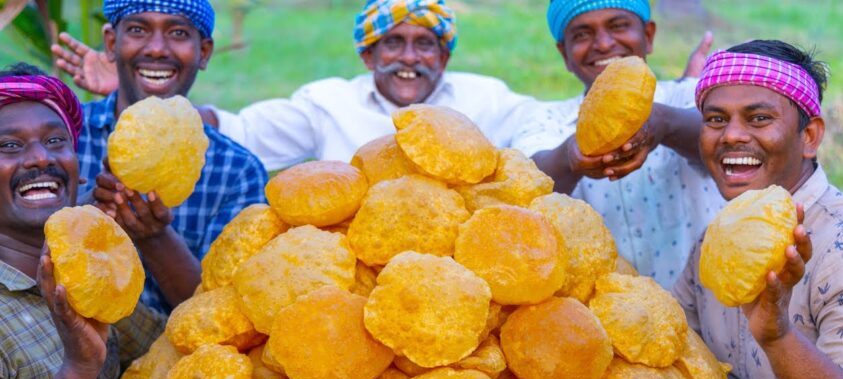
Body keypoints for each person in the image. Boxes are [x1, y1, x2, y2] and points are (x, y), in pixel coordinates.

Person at [672, 40, 843, 379]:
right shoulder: (716, 239)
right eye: (715, 119)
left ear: (809, 136)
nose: (731, 135)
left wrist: (779, 339)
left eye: (758, 118)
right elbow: (675, 350)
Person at [54, 0, 537, 171]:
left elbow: (547, 128)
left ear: (445, 56)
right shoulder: (327, 103)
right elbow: (235, 130)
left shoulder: (486, 98)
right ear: (367, 55)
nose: (409, 59)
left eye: (425, 45)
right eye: (392, 44)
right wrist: (139, 98)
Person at [0, 64, 163, 379]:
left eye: (56, 141)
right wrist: (78, 367)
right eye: (9, 146)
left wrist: (152, 235)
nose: (40, 158)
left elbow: (172, 353)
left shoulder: (88, 275)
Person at [513, 0, 723, 288]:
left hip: (706, 304)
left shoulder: (688, 95)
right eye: (582, 34)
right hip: (608, 318)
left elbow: (724, 138)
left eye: (619, 26)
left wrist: (662, 122)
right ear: (564, 53)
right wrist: (570, 157)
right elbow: (526, 180)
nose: (602, 43)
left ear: (648, 35)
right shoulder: (547, 118)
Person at [79, 0, 268, 315]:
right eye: (138, 30)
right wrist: (85, 209)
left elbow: (221, 314)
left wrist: (155, 237)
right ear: (111, 43)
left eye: (178, 33)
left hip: (171, 359)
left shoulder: (237, 171)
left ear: (204, 52)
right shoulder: (62, 138)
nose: (156, 49)